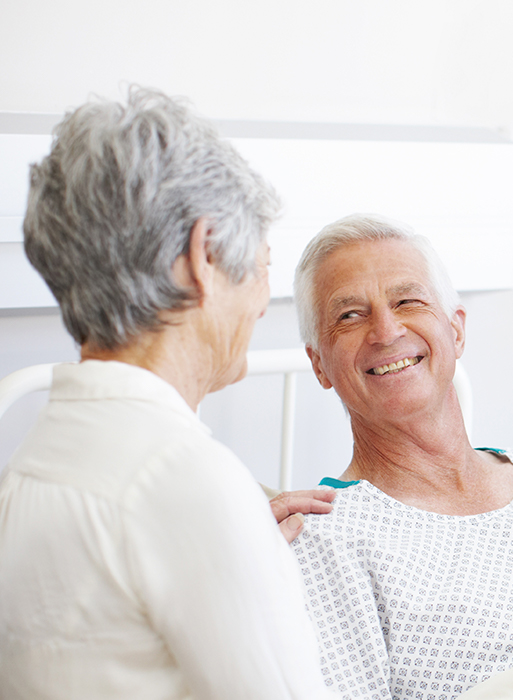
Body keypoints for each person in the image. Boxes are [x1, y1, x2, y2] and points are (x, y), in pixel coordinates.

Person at [0, 88, 336, 700]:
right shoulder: (185, 482)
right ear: (203, 256)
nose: (264, 302)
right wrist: (223, 533)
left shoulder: (27, 473)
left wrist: (232, 556)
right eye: (263, 266)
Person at [290, 213, 513, 700]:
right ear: (319, 364)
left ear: (456, 331)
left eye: (408, 301)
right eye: (349, 316)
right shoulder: (323, 541)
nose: (385, 330)